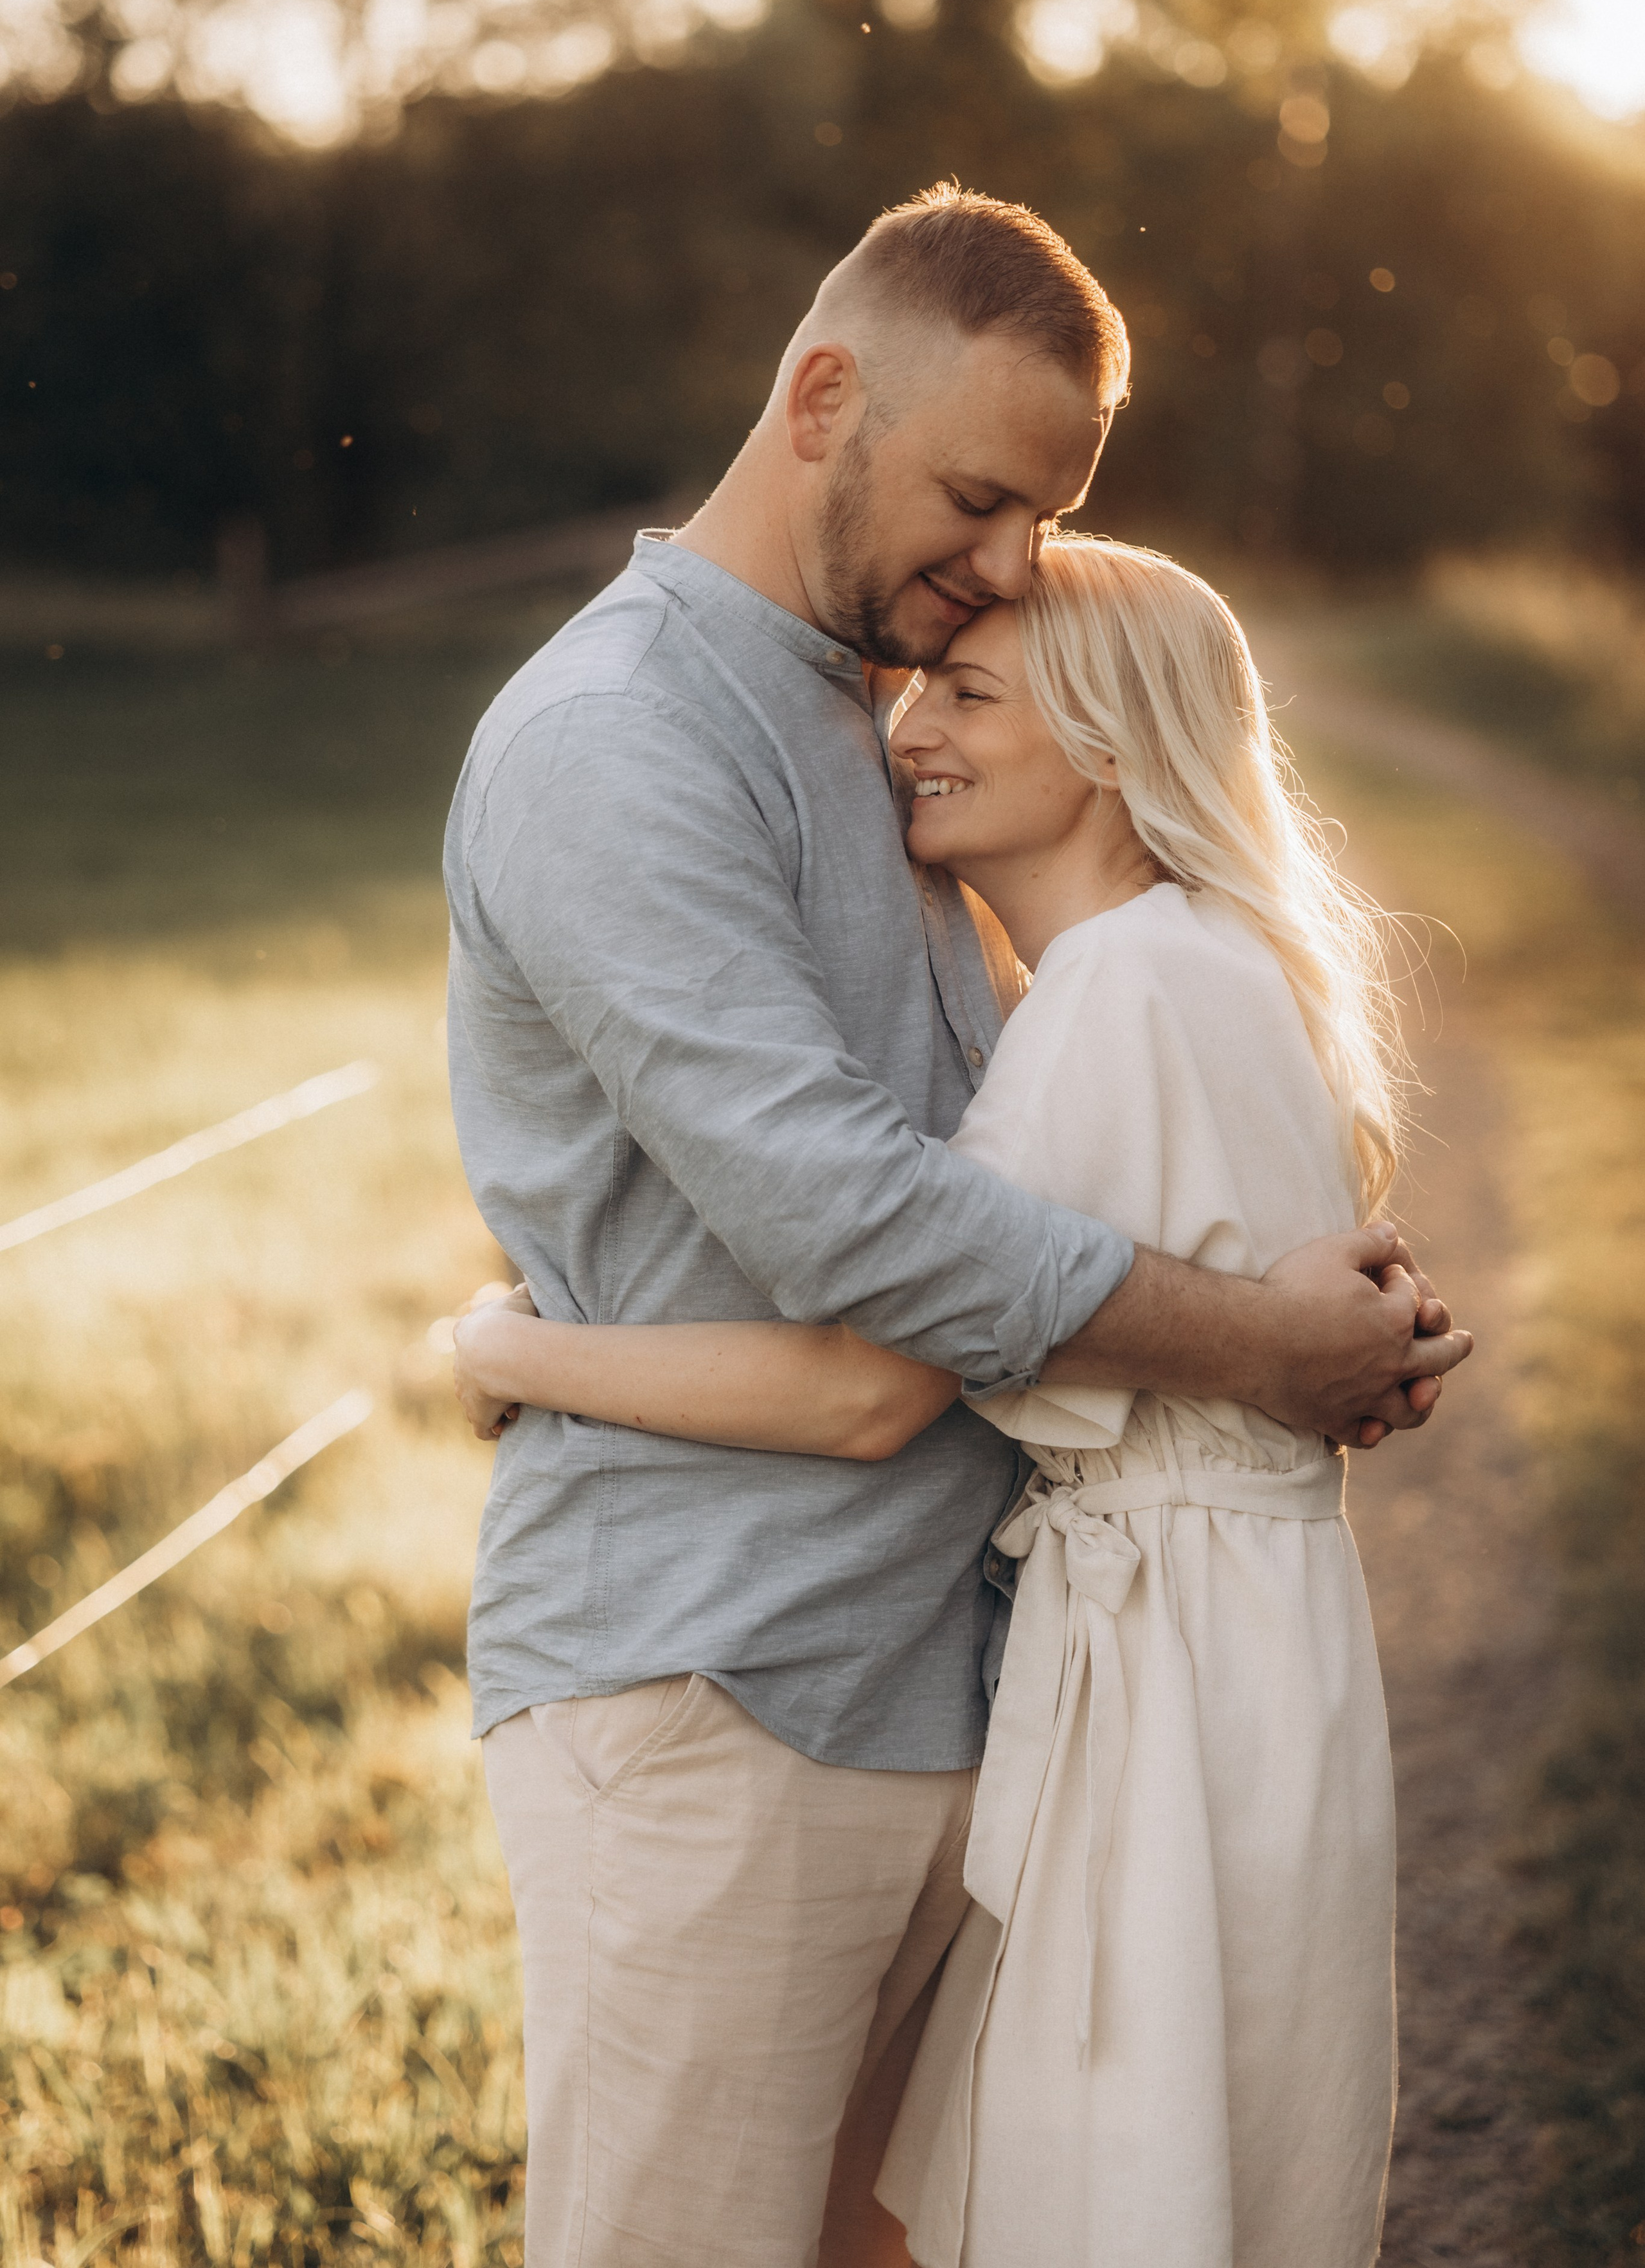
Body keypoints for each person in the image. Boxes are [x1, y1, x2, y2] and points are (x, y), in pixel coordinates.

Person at [442, 186, 1467, 2268]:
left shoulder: (876, 710)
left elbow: (1068, 1132)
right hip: (719, 1683)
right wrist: (1266, 1349)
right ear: (824, 398)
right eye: (983, 500)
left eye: (1038, 526)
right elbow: (856, 1238)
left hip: (955, 1694)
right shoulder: (619, 744)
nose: (1006, 571)